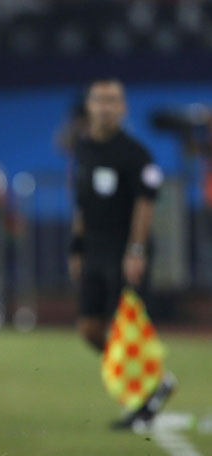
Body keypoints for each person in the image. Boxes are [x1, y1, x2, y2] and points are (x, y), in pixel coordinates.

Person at [68, 79, 175, 429]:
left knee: (125, 327)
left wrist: (136, 250)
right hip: (94, 249)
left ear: (123, 108)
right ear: (89, 105)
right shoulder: (84, 149)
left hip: (123, 249)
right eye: (99, 100)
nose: (105, 107)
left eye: (113, 100)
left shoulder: (134, 153)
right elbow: (81, 204)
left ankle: (146, 394)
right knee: (89, 328)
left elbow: (145, 204)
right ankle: (156, 380)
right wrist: (77, 248)